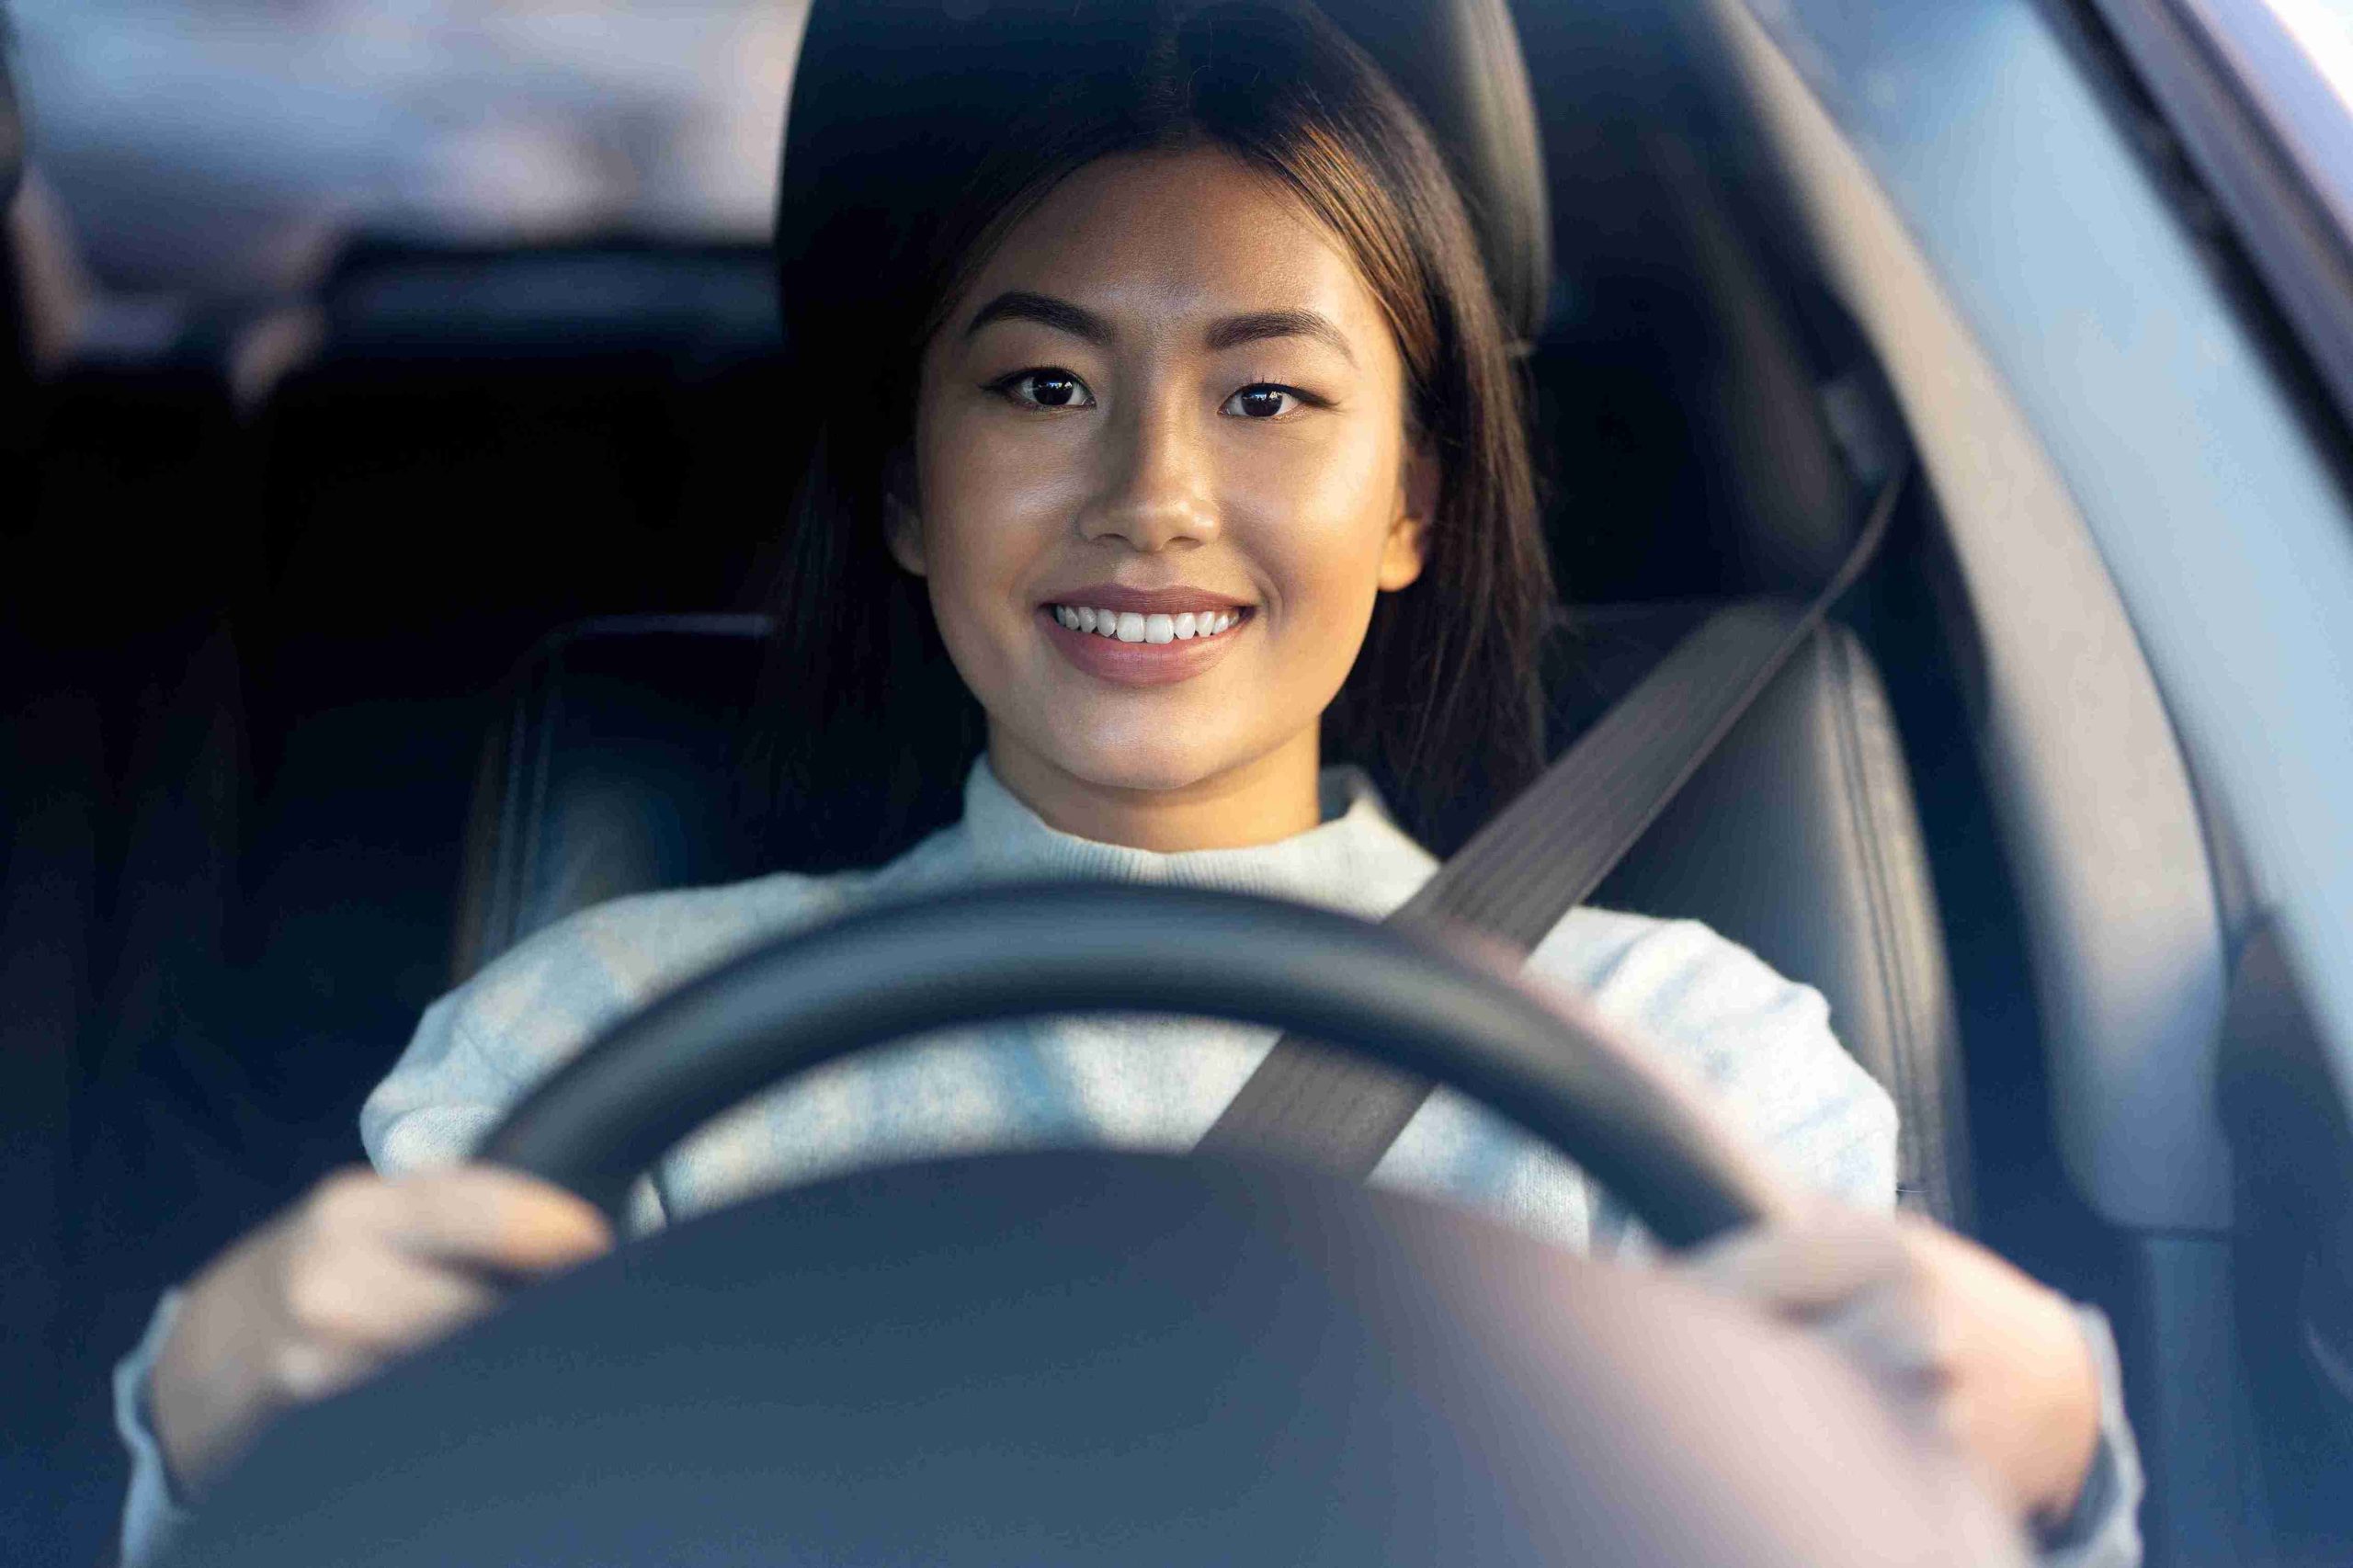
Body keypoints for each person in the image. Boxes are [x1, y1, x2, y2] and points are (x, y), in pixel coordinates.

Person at [109, 6, 2142, 1564]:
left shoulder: (1699, 1057)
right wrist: (207, 1424)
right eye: (1041, 389)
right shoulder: (586, 1039)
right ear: (910, 489)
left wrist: (2051, 1464)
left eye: (1267, 395)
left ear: (1413, 496)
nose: (1151, 496)